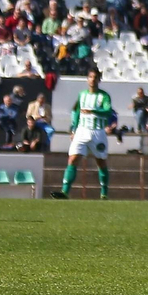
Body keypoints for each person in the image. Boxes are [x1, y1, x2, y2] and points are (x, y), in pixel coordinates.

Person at [50, 69, 117, 200]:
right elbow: (76, 112)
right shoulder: (82, 94)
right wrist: (73, 129)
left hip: (98, 132)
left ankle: (104, 193)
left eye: (95, 77)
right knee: (73, 159)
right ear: (87, 79)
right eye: (90, 77)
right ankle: (65, 192)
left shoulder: (104, 96)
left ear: (99, 80)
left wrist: (93, 111)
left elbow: (108, 111)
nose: (92, 79)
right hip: (82, 130)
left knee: (101, 162)